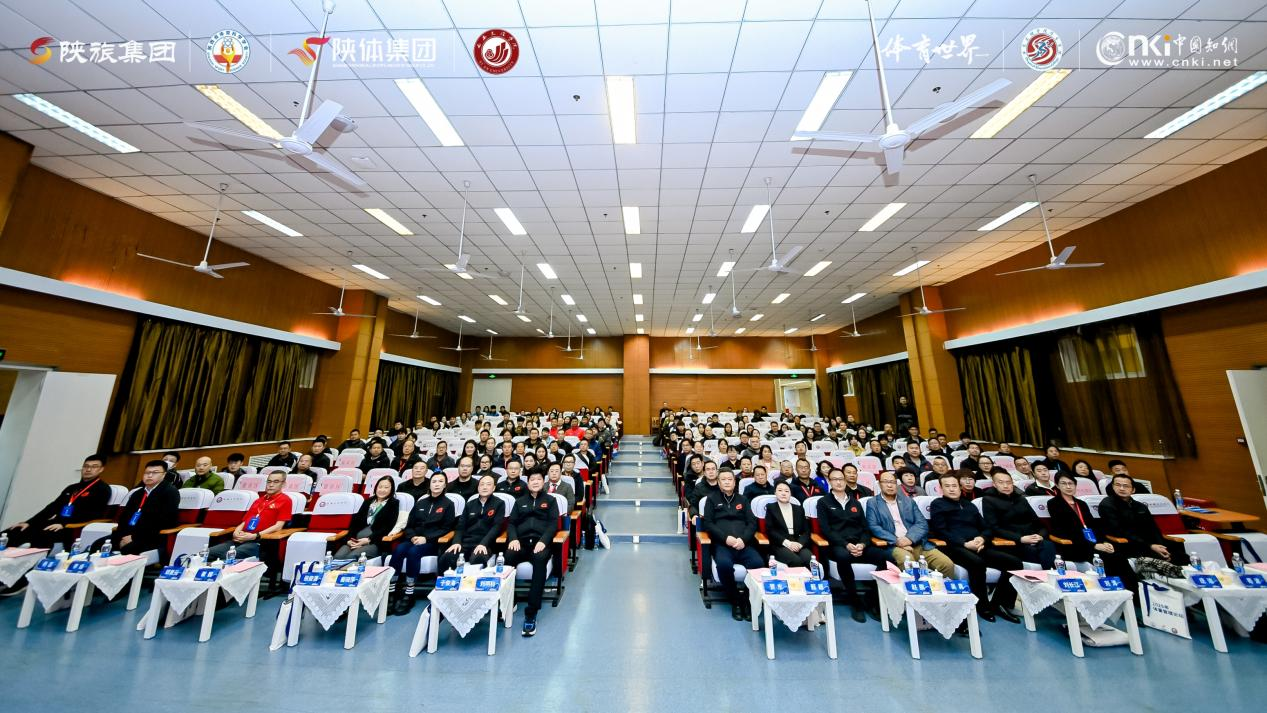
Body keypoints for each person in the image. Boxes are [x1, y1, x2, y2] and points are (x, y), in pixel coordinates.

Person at [928, 473, 1022, 623]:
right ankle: (982, 606)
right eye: (947, 486)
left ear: (960, 487)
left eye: (954, 486)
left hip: (978, 546)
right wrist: (964, 544)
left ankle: (999, 603)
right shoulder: (937, 504)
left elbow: (987, 528)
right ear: (941, 489)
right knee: (977, 563)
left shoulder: (969, 504)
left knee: (1015, 563)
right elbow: (941, 531)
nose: (952, 489)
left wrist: (982, 538)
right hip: (954, 547)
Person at [819, 468, 891, 622]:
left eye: (841, 479)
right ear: (830, 482)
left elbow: (865, 528)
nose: (839, 482)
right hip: (838, 545)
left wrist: (862, 544)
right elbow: (826, 530)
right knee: (843, 557)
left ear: (845, 481)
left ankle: (873, 598)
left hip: (859, 544)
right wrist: (846, 544)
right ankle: (855, 602)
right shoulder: (823, 502)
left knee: (886, 557)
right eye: (835, 479)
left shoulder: (855, 502)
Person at [1046, 472, 1138, 590]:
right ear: (1057, 486)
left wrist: (1104, 542)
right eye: (1064, 483)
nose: (1068, 487)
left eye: (1071, 483)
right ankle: (1114, 590)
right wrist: (1094, 545)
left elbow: (1093, 526)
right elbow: (1065, 530)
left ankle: (1131, 593)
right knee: (1111, 559)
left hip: (1091, 543)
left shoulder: (1082, 504)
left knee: (1118, 556)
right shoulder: (1053, 503)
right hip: (1074, 545)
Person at [3, 454, 112, 551]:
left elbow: (93, 514)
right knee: (13, 532)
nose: (88, 469)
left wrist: (64, 524)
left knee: (41, 535)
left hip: (73, 527)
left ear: (101, 469)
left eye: (94, 467)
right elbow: (52, 507)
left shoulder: (102, 489)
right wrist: (29, 522)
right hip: (55, 523)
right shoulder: (72, 488)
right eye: (86, 466)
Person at [389, 472, 457, 615]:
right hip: (414, 539)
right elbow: (409, 525)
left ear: (445, 485)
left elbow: (447, 528)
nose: (437, 484)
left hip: (432, 543)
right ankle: (392, 590)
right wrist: (413, 536)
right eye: (434, 481)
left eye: (440, 481)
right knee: (399, 549)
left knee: (413, 552)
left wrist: (426, 538)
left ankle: (409, 592)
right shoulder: (421, 503)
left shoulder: (448, 504)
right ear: (429, 484)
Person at [866, 471, 957, 577]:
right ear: (880, 484)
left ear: (897, 484)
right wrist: (897, 541)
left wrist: (909, 539)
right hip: (893, 545)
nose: (890, 485)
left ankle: (940, 588)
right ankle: (917, 587)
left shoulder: (908, 501)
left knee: (947, 565)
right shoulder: (873, 503)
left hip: (918, 543)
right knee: (909, 564)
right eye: (886, 482)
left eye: (892, 482)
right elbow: (874, 526)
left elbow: (922, 523)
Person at [699, 470, 762, 622]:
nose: (727, 482)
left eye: (730, 479)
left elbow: (752, 523)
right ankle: (735, 601)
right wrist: (725, 538)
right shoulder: (711, 499)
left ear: (735, 482)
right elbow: (708, 524)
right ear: (719, 483)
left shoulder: (743, 499)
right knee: (724, 565)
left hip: (743, 544)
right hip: (723, 544)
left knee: (758, 563)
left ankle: (747, 599)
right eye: (723, 479)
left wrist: (743, 539)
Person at [506, 471, 559, 637]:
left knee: (539, 560)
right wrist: (513, 539)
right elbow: (511, 523)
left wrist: (543, 541)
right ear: (527, 483)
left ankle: (531, 612)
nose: (535, 482)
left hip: (540, 543)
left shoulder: (551, 500)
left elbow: (553, 524)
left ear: (543, 482)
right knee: (508, 557)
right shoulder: (519, 501)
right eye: (532, 479)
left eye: (538, 479)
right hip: (521, 543)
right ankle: (509, 600)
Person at [1097, 474, 1189, 565]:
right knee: (1162, 558)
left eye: (1126, 486)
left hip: (1147, 542)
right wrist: (1150, 546)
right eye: (1117, 485)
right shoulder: (1107, 504)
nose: (1121, 488)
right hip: (1128, 543)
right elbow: (1119, 531)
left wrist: (1161, 546)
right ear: (1112, 487)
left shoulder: (1140, 506)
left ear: (1133, 490)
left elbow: (1153, 528)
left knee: (1181, 555)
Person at [207, 471, 291, 562]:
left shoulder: (286, 500)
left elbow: (278, 526)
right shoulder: (258, 500)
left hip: (259, 541)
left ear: (283, 484)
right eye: (269, 481)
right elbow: (245, 521)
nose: (271, 485)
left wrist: (255, 536)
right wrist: (236, 532)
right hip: (241, 539)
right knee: (207, 553)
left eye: (276, 482)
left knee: (227, 556)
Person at [101, 460, 180, 555]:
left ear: (164, 475)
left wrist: (133, 537)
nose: (149, 475)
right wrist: (123, 536)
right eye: (147, 472)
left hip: (152, 537)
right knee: (98, 544)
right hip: (129, 534)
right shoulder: (137, 493)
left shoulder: (170, 492)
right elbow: (124, 517)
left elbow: (163, 521)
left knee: (128, 549)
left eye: (155, 473)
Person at [981, 471, 1056, 569]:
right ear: (994, 484)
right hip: (1012, 542)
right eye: (1001, 482)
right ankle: (1050, 573)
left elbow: (1038, 523)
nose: (1006, 486)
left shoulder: (1021, 499)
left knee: (1048, 545)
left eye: (1008, 482)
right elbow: (994, 528)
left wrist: (1040, 536)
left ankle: (1050, 573)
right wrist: (1020, 539)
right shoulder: (988, 500)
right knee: (1037, 552)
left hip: (1033, 538)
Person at [438, 474, 504, 573]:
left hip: (485, 543)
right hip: (466, 543)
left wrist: (483, 544)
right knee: (447, 557)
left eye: (488, 484)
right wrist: (456, 543)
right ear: (478, 487)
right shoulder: (469, 504)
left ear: (494, 488)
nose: (484, 487)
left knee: (478, 558)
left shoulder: (499, 503)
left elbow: (496, 527)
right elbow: (460, 527)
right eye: (482, 484)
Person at [333, 475, 399, 560]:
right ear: (376, 488)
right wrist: (349, 540)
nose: (382, 490)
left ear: (391, 489)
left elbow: (387, 527)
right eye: (380, 487)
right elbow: (355, 523)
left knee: (351, 557)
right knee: (338, 557)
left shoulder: (393, 504)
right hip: (355, 540)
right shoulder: (368, 501)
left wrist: (368, 540)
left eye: (386, 487)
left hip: (374, 542)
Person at [764, 481, 811, 568]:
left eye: (786, 491)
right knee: (796, 561)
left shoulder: (799, 509)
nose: (783, 493)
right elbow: (770, 530)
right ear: (775, 493)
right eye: (780, 490)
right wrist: (788, 544)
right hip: (780, 543)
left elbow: (806, 531)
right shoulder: (771, 507)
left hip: (797, 542)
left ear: (790, 494)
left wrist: (800, 544)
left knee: (809, 559)